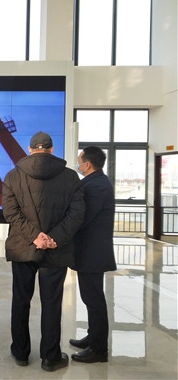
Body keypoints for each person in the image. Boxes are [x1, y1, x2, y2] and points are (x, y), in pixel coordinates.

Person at [2, 131, 84, 372]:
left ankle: (20, 353)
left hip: (23, 249)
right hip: (56, 251)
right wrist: (53, 238)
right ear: (51, 149)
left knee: (21, 301)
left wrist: (34, 237)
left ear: (30, 150)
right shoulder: (70, 177)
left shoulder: (13, 175)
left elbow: (10, 212)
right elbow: (77, 214)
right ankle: (50, 357)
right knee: (52, 303)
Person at [69, 146, 116, 363]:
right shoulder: (95, 182)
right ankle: (93, 336)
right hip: (89, 251)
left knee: (94, 299)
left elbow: (82, 218)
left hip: (92, 253)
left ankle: (98, 349)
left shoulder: (96, 186)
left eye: (80, 161)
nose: (78, 164)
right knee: (90, 298)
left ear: (87, 164)